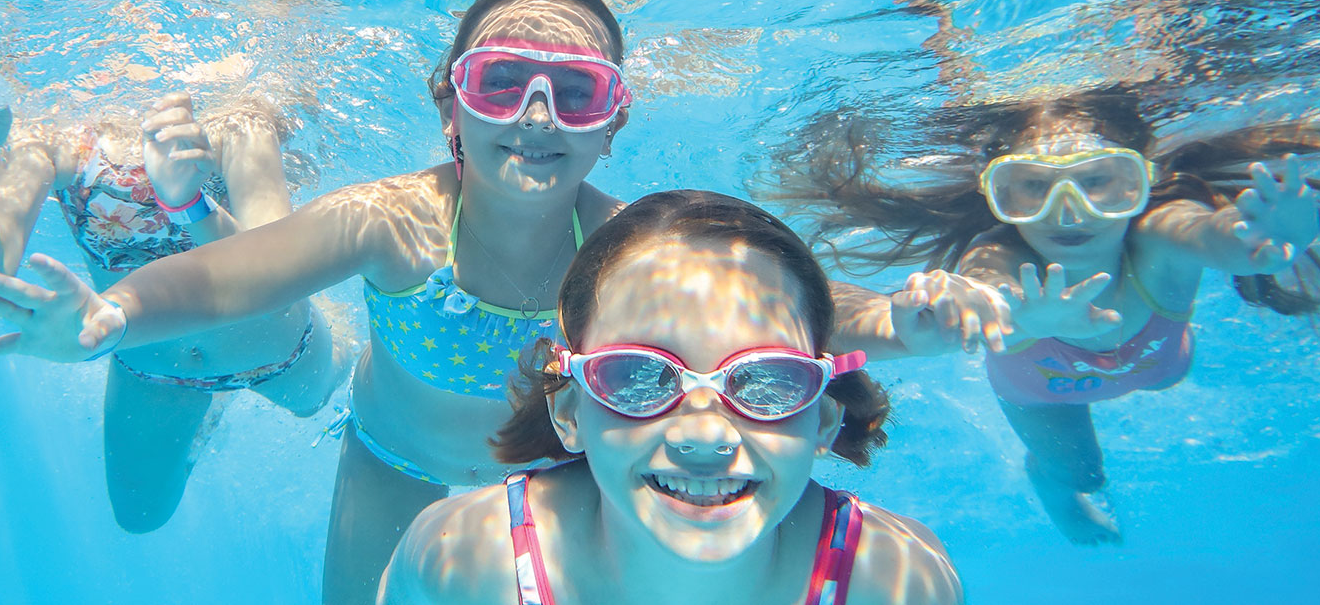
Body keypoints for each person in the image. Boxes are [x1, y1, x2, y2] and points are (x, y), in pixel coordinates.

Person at [0, 0, 1003, 602]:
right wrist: (114, 314)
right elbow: (233, 276)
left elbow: (765, 319)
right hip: (392, 461)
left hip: (562, 485)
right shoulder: (395, 222)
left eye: (576, 93)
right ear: (449, 105)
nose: (538, 115)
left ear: (613, 122)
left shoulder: (623, 248)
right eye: (504, 83)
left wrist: (909, 323)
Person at [769, 85, 1320, 544]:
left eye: (1100, 183)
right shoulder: (999, 253)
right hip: (1045, 391)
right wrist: (990, 310)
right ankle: (1060, 495)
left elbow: (1213, 236)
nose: (1068, 211)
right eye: (1031, 188)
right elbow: (989, 293)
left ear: (1140, 184)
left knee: (1163, 372)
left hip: (1159, 363)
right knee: (1078, 472)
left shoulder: (1159, 233)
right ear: (997, 195)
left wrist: (1257, 239)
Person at [378, 190, 962, 605]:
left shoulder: (893, 582)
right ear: (569, 411)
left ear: (825, 421)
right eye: (638, 376)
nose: (704, 437)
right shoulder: (465, 564)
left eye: (767, 381)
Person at [0, 96, 338, 534]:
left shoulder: (238, 122)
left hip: (277, 352)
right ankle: (209, 409)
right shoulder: (55, 140)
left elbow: (280, 278)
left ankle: (341, 325)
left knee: (314, 405)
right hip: (152, 370)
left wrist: (189, 203)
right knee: (140, 516)